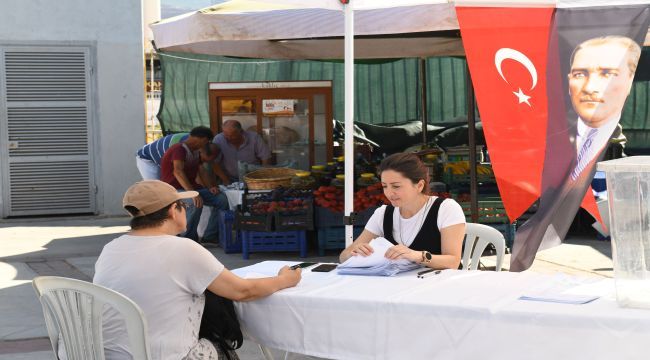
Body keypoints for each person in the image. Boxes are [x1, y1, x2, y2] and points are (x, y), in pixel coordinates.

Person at [92, 180, 301, 360]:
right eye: (184, 205)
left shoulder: (112, 248)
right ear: (174, 210)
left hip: (101, 352)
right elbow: (243, 291)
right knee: (221, 345)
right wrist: (284, 280)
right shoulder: (182, 248)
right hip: (160, 355)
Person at [511, 35, 642, 272]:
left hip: (607, 154)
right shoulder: (566, 110)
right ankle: (574, 225)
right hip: (578, 155)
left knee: (602, 194)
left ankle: (594, 226)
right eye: (580, 74)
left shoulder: (602, 107)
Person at [340, 153, 466, 270]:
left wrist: (416, 255)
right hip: (398, 288)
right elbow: (343, 256)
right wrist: (355, 251)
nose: (389, 193)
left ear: (419, 185)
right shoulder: (383, 213)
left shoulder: (446, 209)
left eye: (396, 186)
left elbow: (453, 262)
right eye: (385, 186)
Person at [567, 36, 640, 181]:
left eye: (607, 74)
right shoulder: (548, 142)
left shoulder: (615, 147)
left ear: (630, 82)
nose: (589, 88)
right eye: (580, 74)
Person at [160, 127, 229, 242]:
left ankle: (210, 237)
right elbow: (177, 171)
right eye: (207, 141)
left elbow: (201, 171)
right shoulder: (179, 149)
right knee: (194, 202)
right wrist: (191, 193)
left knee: (221, 199)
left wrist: (210, 187)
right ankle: (188, 239)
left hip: (191, 189)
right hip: (174, 190)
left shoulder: (197, 152)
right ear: (200, 139)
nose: (206, 144)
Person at [135, 128, 230, 185]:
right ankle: (153, 216)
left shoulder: (202, 146)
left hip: (163, 157)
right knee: (157, 189)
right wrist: (193, 192)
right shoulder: (181, 147)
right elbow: (179, 172)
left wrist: (226, 182)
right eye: (203, 160)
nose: (203, 162)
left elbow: (211, 165)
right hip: (147, 158)